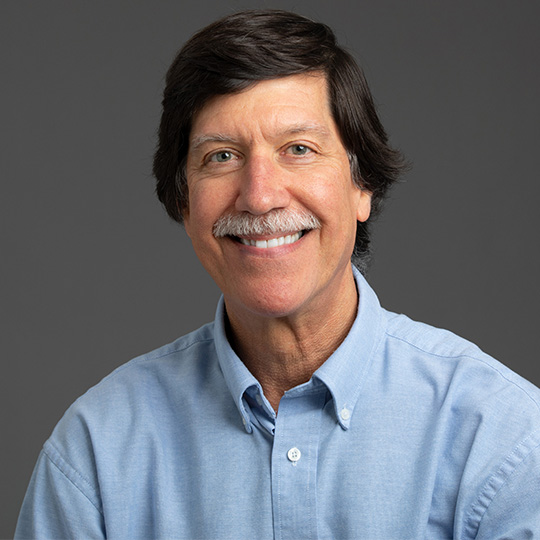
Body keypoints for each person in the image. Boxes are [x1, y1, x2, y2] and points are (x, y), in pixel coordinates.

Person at [15, 10, 540, 539]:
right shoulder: (96, 455)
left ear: (363, 186)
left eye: (298, 149)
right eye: (222, 156)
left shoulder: (501, 437)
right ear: (183, 200)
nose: (260, 194)